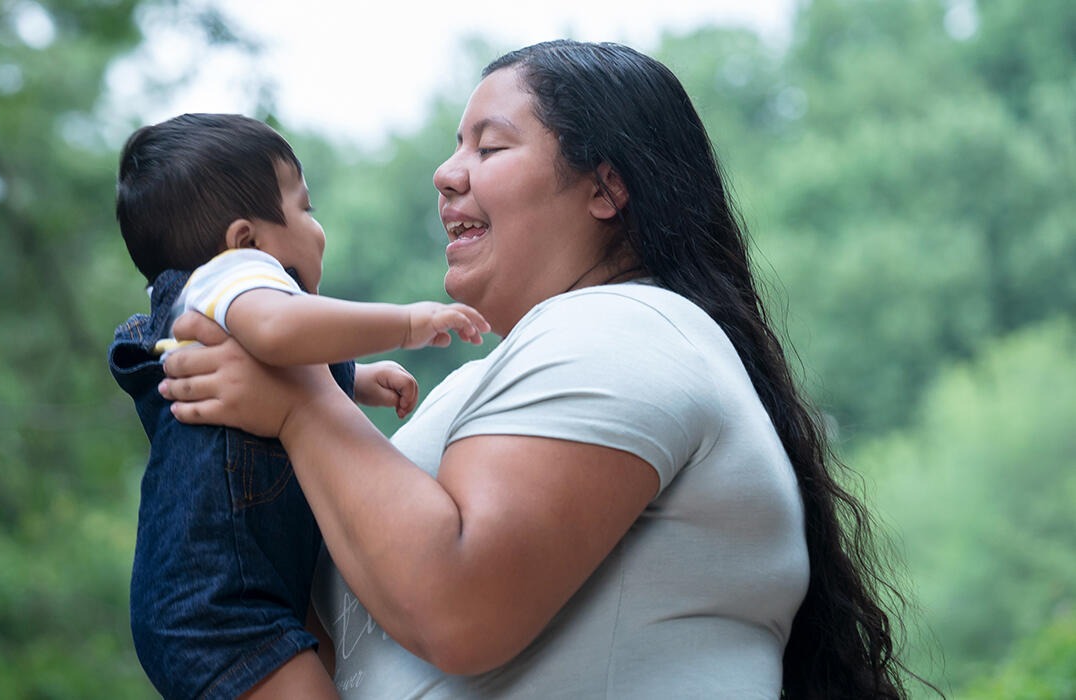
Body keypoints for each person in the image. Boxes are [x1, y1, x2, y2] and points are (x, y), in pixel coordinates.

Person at [158, 41, 918, 698]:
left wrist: (298, 399)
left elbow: (458, 604)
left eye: (490, 148)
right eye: (457, 146)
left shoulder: (626, 325)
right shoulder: (500, 376)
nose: (445, 174)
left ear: (605, 187)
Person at [107, 113, 489, 699]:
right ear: (246, 240)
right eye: (305, 209)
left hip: (239, 587)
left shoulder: (216, 301)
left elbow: (279, 355)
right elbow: (281, 331)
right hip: (220, 608)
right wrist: (408, 323)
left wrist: (354, 378)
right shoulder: (232, 274)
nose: (319, 230)